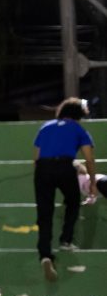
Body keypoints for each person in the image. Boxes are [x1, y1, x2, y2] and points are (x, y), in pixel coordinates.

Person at [33, 97, 96, 282]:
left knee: (44, 213)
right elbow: (89, 158)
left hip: (43, 169)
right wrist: (92, 182)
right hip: (65, 167)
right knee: (73, 202)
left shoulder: (45, 127)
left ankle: (45, 255)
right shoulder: (78, 129)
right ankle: (65, 241)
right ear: (79, 115)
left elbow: (36, 157)